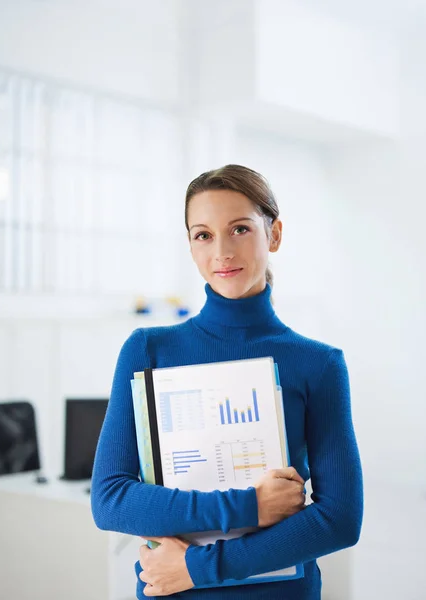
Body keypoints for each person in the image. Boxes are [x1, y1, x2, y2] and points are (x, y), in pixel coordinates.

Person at [91, 164, 364, 599]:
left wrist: (201, 568)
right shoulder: (148, 350)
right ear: (191, 246)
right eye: (203, 235)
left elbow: (341, 519)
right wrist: (250, 506)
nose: (221, 251)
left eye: (239, 229)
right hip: (169, 588)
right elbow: (110, 500)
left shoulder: (319, 363)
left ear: (274, 234)